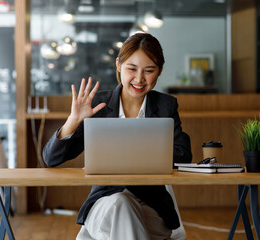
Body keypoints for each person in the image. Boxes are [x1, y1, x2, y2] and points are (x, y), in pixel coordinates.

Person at [43, 33, 192, 240]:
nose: (139, 79)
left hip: (153, 207)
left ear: (159, 71)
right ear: (119, 65)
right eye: (132, 69)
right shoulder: (98, 106)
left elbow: (183, 155)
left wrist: (122, 162)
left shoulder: (166, 105)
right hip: (105, 203)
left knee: (124, 212)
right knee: (121, 203)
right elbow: (51, 159)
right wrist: (73, 120)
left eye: (149, 71)